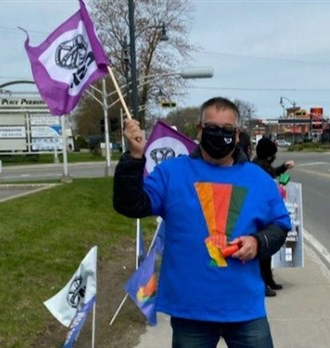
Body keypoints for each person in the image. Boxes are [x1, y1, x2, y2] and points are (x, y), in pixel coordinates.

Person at [113, 97, 291, 348]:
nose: (219, 135)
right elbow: (129, 204)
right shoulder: (171, 173)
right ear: (199, 130)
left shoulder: (258, 179)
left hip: (245, 309)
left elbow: (280, 226)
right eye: (212, 128)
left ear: (237, 134)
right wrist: (133, 157)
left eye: (227, 130)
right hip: (190, 311)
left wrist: (258, 242)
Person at [253, 137, 295, 297]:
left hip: (263, 211)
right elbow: (271, 180)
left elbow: (273, 174)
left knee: (266, 251)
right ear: (269, 154)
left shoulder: (258, 163)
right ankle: (262, 283)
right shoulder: (260, 167)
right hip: (262, 212)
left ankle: (268, 280)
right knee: (263, 251)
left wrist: (284, 168)